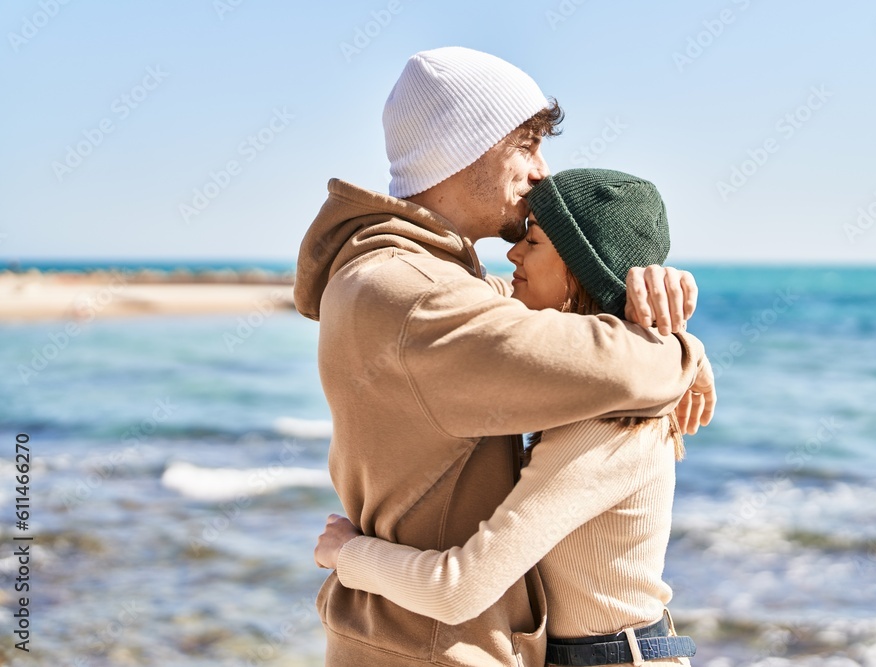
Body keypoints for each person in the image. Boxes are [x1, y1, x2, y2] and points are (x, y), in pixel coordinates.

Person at [294, 47, 714, 667]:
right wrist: (679, 348)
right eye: (526, 145)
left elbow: (530, 322)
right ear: (463, 148)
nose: (542, 171)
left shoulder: (408, 279)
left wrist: (647, 308)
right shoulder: (418, 295)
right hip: (430, 648)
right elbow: (611, 364)